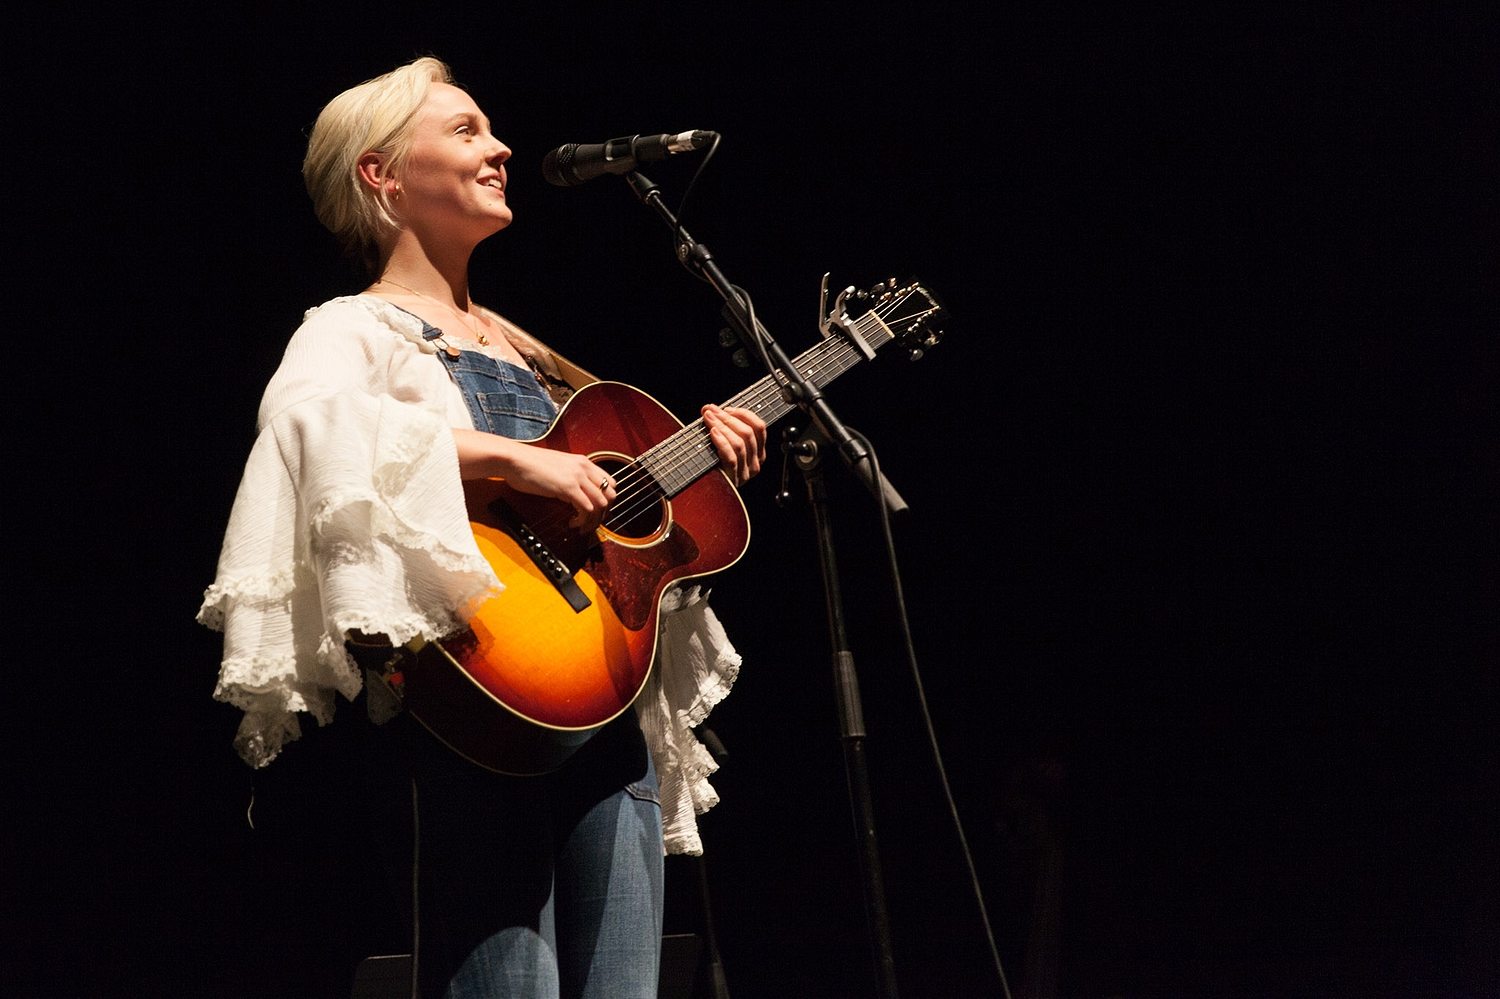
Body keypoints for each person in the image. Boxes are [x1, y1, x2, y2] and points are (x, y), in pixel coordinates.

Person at [198, 56, 766, 997]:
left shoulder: (526, 346)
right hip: (473, 696)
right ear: (380, 174)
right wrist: (512, 457)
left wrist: (702, 456)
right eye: (464, 131)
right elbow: (305, 426)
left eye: (490, 129)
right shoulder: (354, 327)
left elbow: (614, 508)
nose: (500, 147)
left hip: (602, 694)